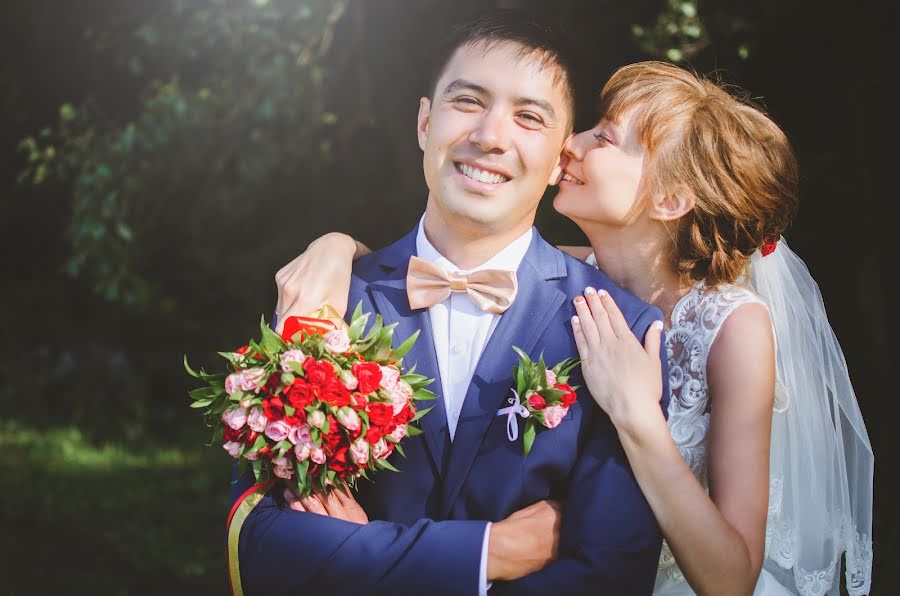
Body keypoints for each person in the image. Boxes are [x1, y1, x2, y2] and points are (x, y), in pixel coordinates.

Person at [277, 62, 874, 595]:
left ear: (669, 199)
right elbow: (431, 262)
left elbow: (732, 579)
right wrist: (335, 248)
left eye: (603, 137)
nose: (571, 144)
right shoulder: (556, 273)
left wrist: (638, 415)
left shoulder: (733, 327)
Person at [232, 12, 668, 596]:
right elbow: (264, 547)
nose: (490, 136)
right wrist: (492, 552)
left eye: (529, 117)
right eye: (468, 101)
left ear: (561, 156)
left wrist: (365, 560)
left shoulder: (618, 328)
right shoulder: (324, 301)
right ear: (424, 122)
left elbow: (609, 574)